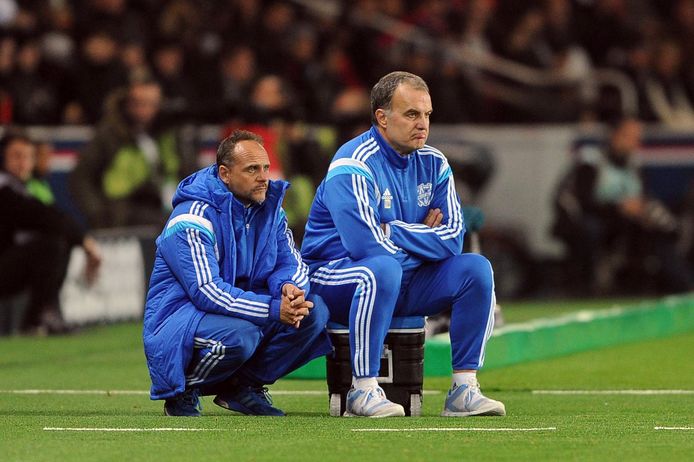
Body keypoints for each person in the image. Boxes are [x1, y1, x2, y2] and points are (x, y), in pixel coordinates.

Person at [301, 71, 505, 417]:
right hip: (335, 278)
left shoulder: (434, 162)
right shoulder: (353, 163)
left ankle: (463, 389)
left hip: (397, 276)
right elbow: (365, 247)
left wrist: (394, 229)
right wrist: (422, 238)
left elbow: (454, 238)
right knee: (381, 269)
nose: (422, 124)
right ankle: (362, 391)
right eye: (411, 114)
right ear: (382, 117)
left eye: (426, 114)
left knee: (475, 269)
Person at [143, 129, 331, 417]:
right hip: (181, 318)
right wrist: (272, 308)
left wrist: (290, 289)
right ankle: (182, 390)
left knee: (312, 312)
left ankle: (242, 388)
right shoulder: (191, 219)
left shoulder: (269, 209)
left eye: (266, 167)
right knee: (241, 336)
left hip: (236, 312)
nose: (263, 177)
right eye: (252, 169)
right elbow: (208, 291)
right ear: (225, 173)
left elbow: (292, 262)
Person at [552, 117, 692, 294]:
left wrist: (643, 210)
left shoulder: (634, 165)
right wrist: (618, 207)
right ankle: (586, 286)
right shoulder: (592, 161)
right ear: (615, 136)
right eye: (629, 136)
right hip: (595, 219)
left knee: (660, 228)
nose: (634, 142)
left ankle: (677, 284)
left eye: (637, 137)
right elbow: (582, 201)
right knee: (591, 229)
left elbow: (642, 197)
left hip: (625, 222)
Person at [0, 130, 101, 335]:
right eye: (16, 156)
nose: (23, 163)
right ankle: (35, 319)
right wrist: (86, 242)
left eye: (28, 157)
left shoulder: (24, 187)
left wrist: (79, 239)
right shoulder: (4, 189)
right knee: (50, 245)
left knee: (58, 241)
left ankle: (45, 313)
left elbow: (52, 216)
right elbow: (41, 216)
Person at [70, 76, 196, 229]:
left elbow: (189, 172)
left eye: (153, 104)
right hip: (124, 212)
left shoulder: (171, 133)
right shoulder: (110, 134)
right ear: (128, 104)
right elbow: (81, 177)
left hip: (170, 206)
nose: (145, 110)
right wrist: (98, 214)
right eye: (140, 103)